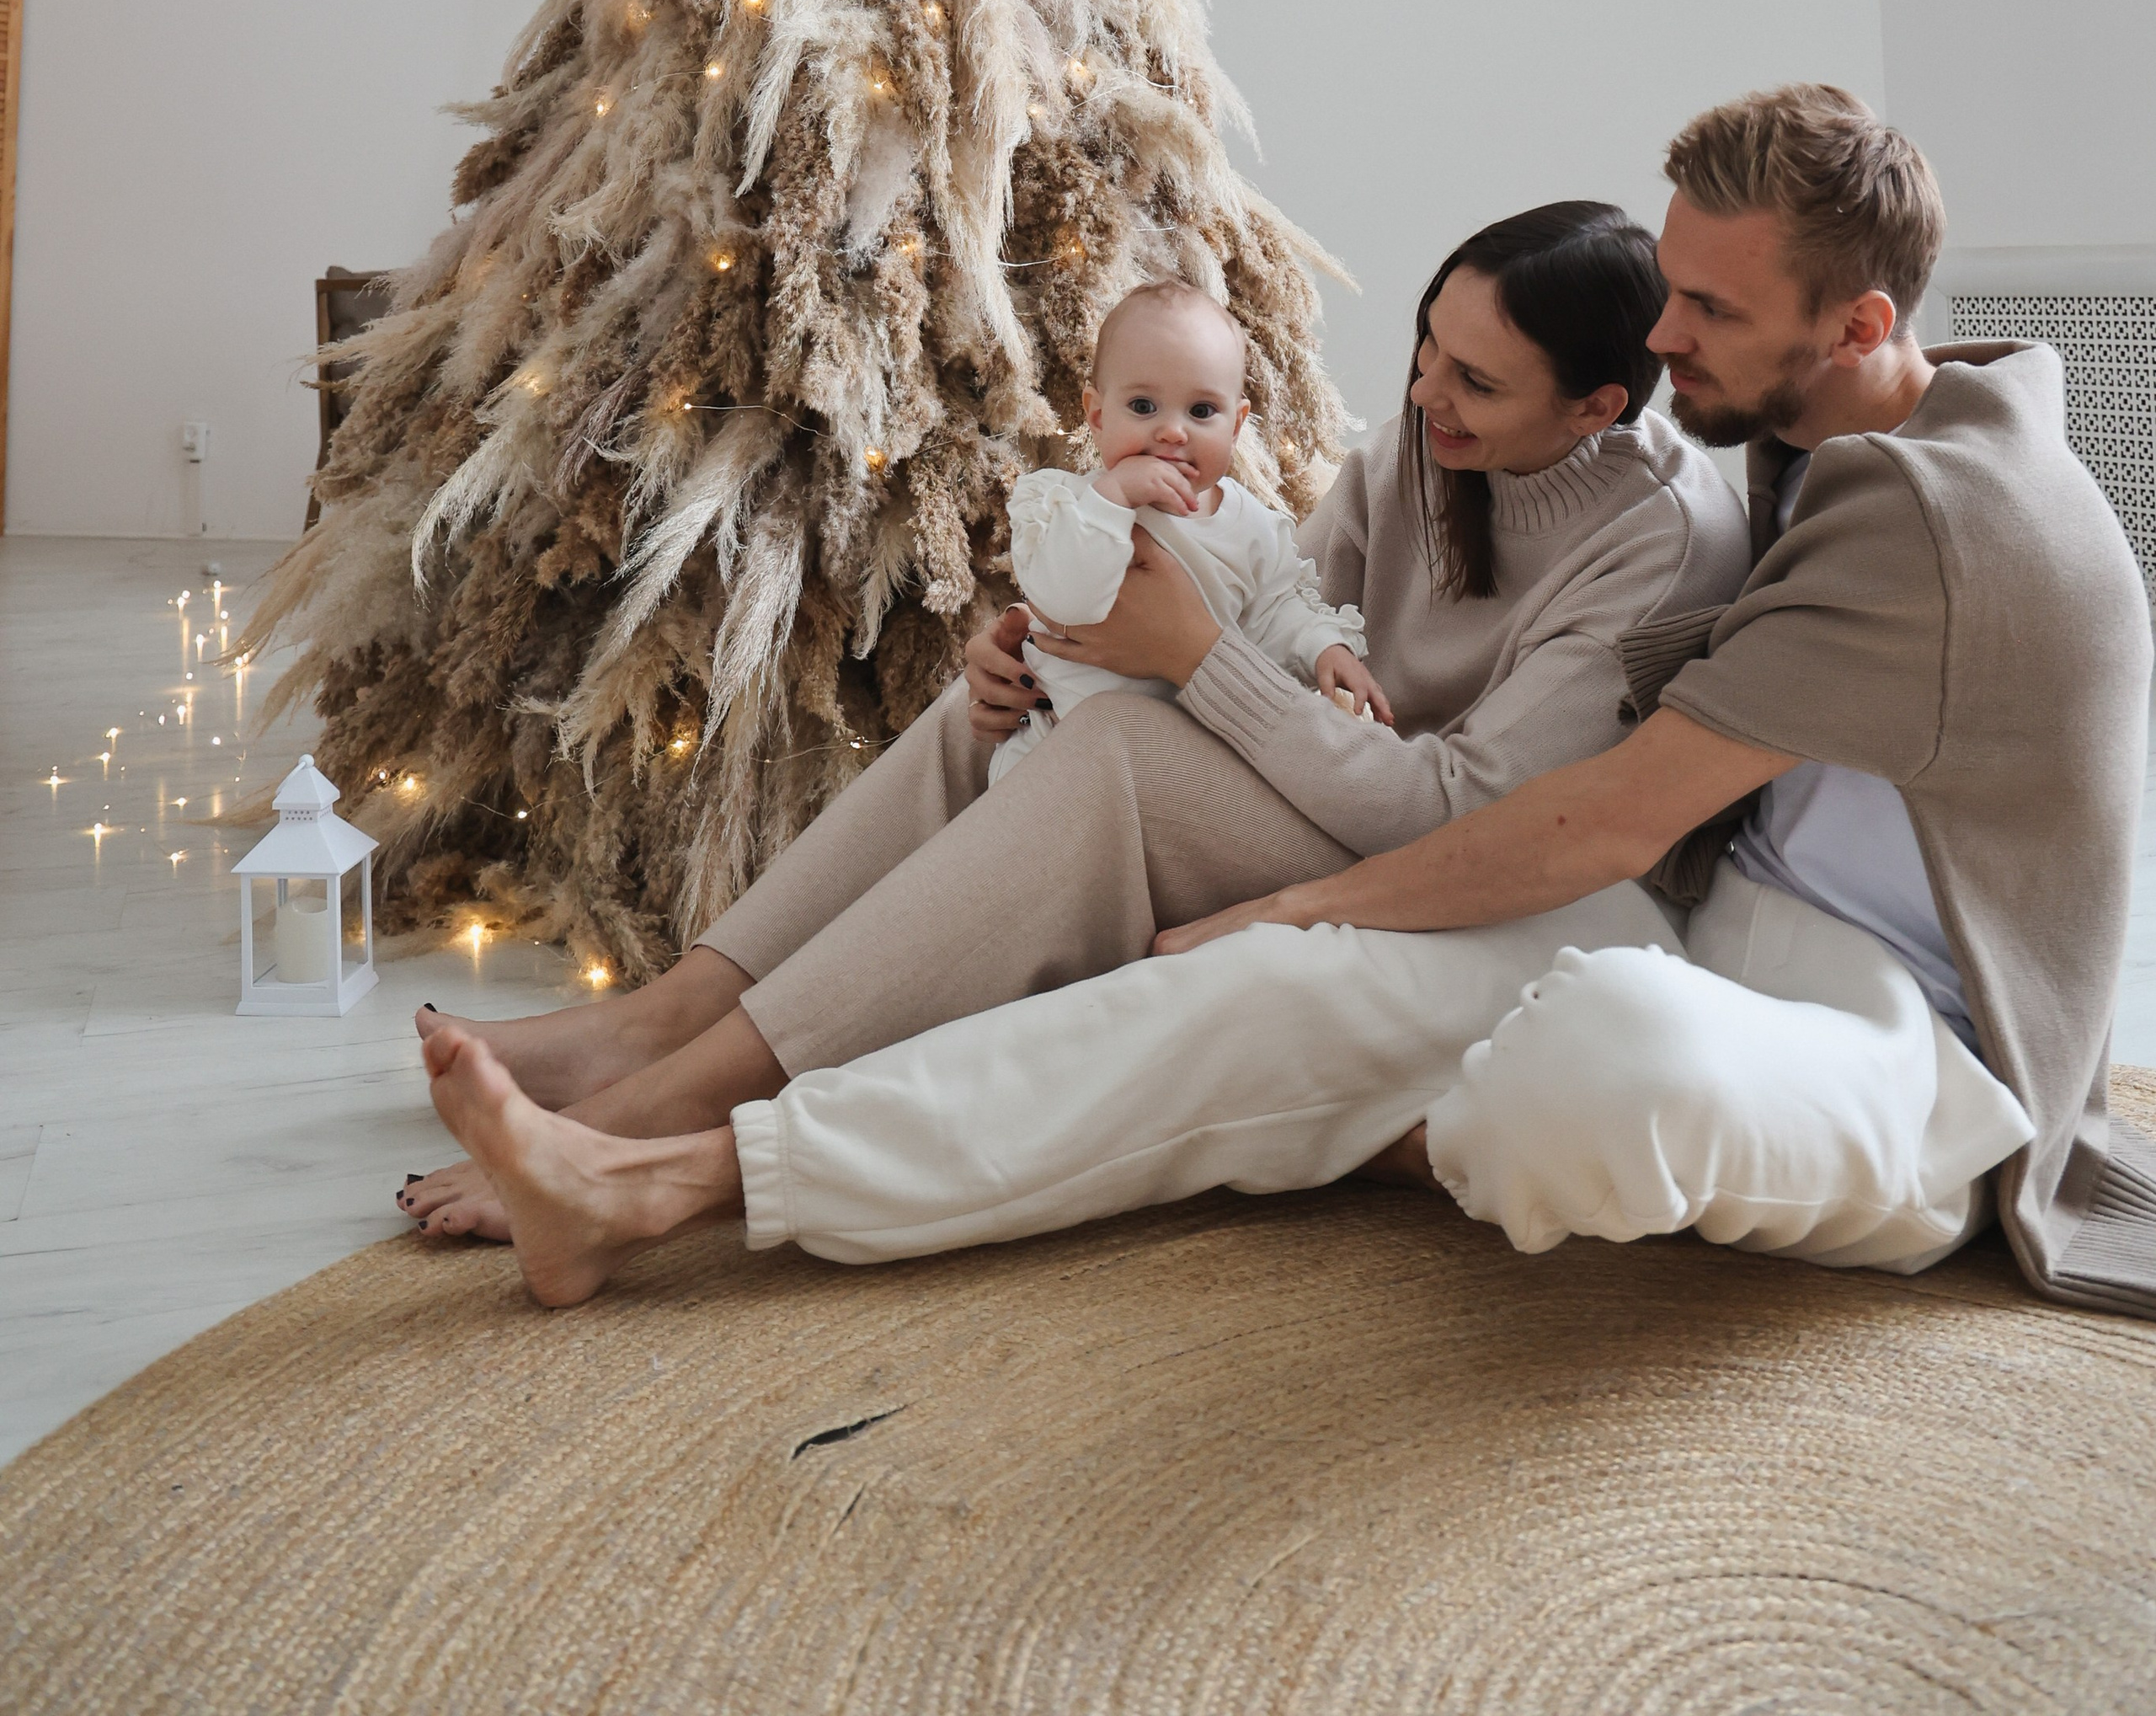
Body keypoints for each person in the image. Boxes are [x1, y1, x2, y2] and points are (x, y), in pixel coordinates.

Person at [417, 88, 2156, 1320]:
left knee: (1522, 1042)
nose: (1673, 329)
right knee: (1219, 998)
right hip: (1685, 910)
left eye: (1709, 306)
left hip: (1904, 1046)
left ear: (1855, 321)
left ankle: (1408, 1130)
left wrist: (1299, 895)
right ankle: (657, 1157)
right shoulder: (1797, 439)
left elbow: (1585, 811)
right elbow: (1299, 600)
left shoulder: (1908, 513)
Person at [398, 198, 1750, 1239]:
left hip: (1455, 863)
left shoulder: (1659, 548)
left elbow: (1466, 810)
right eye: (1424, 351)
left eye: (1475, 383)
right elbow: (1287, 607)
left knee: (1119, 753)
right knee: (1016, 698)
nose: (1421, 397)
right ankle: (666, 1017)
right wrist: (1061, 643)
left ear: (1597, 409)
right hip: (1337, 775)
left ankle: (659, 1114)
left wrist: (1193, 657)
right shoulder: (1428, 442)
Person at [991, 276, 1384, 789]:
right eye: (1143, 407)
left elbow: (1274, 610)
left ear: (1236, 425)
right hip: (1057, 742)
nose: (1173, 432)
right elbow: (1068, 602)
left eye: (1201, 412)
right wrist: (1114, 498)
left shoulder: (1252, 524)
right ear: (1097, 414)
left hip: (1183, 756)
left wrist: (1324, 648)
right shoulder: (1066, 507)